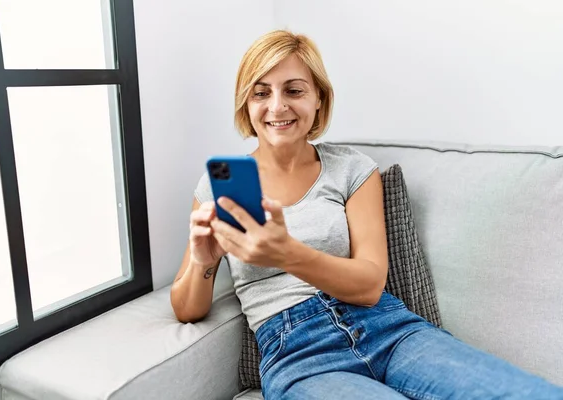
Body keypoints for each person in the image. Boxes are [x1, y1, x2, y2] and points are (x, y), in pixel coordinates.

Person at [170, 30, 563, 400]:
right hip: (298, 357)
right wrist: (204, 263)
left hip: (389, 331)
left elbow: (370, 284)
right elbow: (187, 308)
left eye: (294, 90)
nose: (277, 106)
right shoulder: (214, 187)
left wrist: (285, 252)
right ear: (247, 103)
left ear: (319, 98)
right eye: (261, 93)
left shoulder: (353, 170)